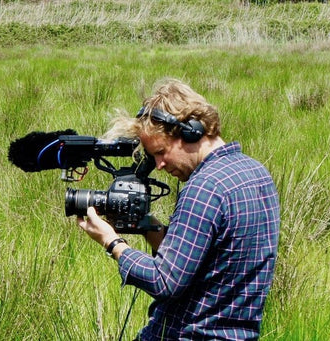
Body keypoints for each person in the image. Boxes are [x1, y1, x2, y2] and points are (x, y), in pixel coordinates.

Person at [77, 78, 280, 340]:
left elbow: (165, 281)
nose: (159, 165)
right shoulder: (257, 173)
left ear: (190, 132)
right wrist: (148, 225)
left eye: (161, 152)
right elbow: (200, 264)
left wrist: (111, 241)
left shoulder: (204, 189)